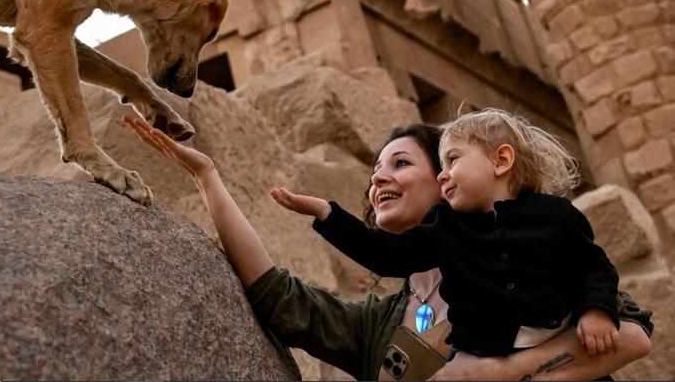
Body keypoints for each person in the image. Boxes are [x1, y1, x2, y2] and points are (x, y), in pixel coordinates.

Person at [122, 114, 653, 380]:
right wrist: (209, 180)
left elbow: (629, 335)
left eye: (401, 164)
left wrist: (503, 371)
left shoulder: (531, 263)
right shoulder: (385, 323)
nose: (379, 181)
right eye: (375, 171)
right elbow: (278, 296)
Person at [271, 108, 636, 367]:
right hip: (476, 357)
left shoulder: (556, 217)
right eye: (441, 166)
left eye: (453, 161)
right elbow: (385, 254)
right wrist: (327, 215)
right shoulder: (448, 229)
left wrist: (596, 311)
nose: (444, 176)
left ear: (501, 160)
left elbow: (595, 269)